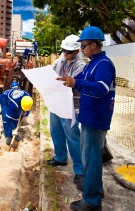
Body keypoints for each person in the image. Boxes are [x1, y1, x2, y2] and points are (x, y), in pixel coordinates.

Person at [57, 26, 116, 211]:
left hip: (96, 117)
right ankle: (96, 191)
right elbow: (78, 79)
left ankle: (91, 201)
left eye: (83, 46)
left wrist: (76, 83)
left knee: (91, 159)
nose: (81, 50)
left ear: (93, 45)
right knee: (90, 156)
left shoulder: (104, 64)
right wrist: (67, 81)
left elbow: (101, 88)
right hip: (88, 116)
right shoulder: (91, 64)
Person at [47, 35, 86, 190]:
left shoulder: (81, 65)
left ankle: (80, 170)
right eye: (64, 50)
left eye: (69, 51)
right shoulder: (59, 61)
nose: (65, 53)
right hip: (56, 103)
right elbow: (52, 75)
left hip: (70, 105)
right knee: (55, 131)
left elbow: (70, 83)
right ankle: (60, 157)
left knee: (72, 136)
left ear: (77, 51)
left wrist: (58, 81)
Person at [0, 82, 33, 148]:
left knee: (16, 115)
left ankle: (14, 132)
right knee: (5, 117)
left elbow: (28, 107)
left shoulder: (28, 97)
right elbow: (8, 117)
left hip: (15, 100)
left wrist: (26, 113)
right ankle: (8, 135)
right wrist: (13, 128)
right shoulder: (14, 104)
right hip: (3, 99)